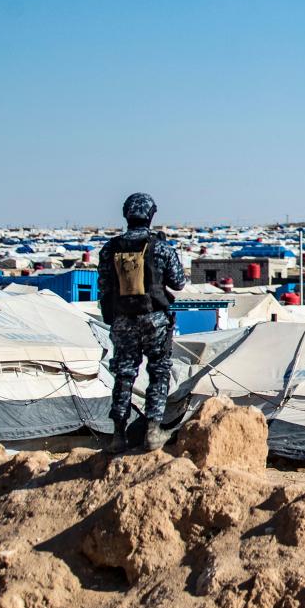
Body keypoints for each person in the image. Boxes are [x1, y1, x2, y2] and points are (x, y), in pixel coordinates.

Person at [97, 193, 187, 453]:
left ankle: (117, 434)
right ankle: (152, 430)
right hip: (155, 320)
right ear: (151, 215)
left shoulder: (110, 249)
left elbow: (103, 287)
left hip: (123, 320)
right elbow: (178, 282)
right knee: (158, 372)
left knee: (124, 375)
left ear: (127, 215)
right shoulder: (159, 247)